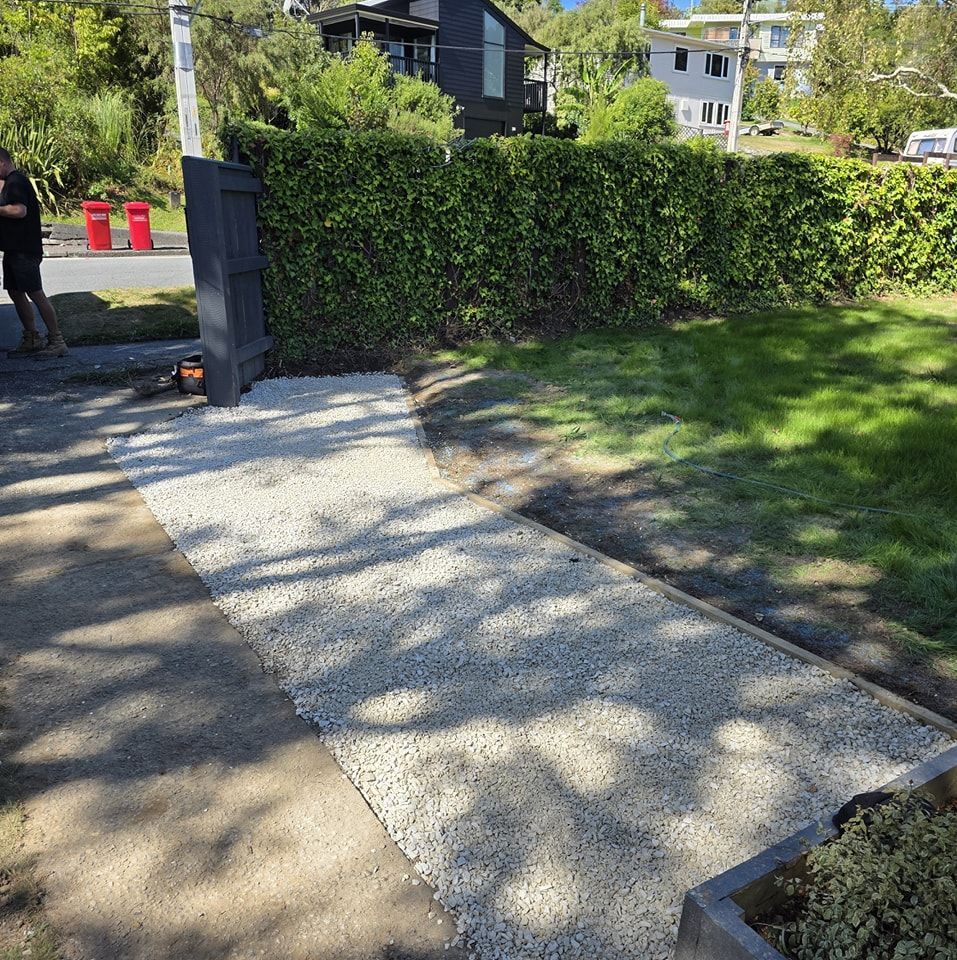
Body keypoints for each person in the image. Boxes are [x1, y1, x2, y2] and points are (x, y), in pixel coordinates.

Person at [0, 147, 67, 358]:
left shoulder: (16, 181)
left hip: (24, 249)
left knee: (35, 292)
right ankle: (32, 337)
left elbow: (19, 211)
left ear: (2, 162)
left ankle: (57, 340)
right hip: (13, 248)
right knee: (15, 291)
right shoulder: (9, 183)